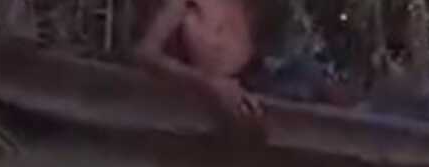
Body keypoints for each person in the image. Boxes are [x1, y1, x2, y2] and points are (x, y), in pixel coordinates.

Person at [134, 0, 342, 124]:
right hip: (219, 83)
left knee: (311, 75)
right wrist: (207, 83)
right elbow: (145, 53)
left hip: (257, 78)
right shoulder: (184, 3)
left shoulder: (250, 6)